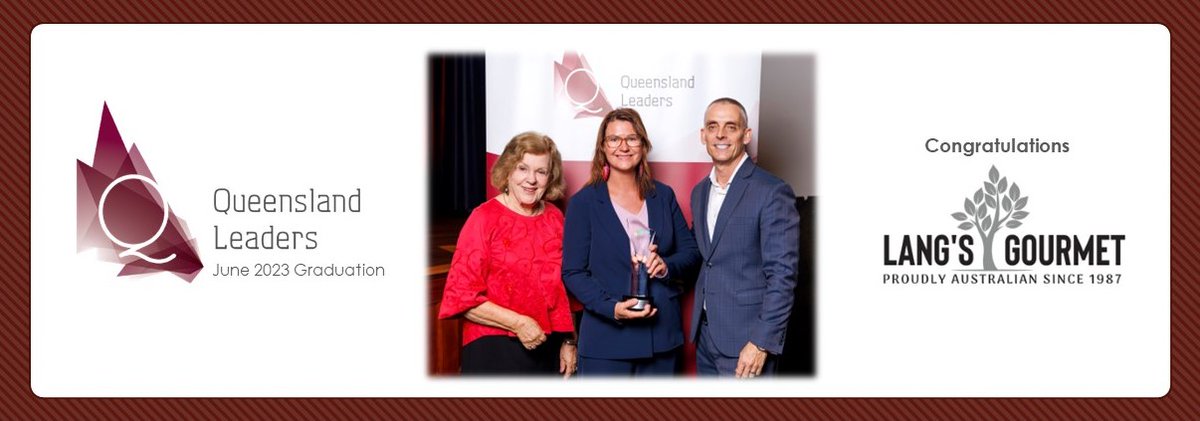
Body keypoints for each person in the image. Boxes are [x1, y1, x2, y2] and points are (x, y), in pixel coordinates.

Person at [563, 108, 701, 376]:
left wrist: (666, 266)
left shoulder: (663, 196)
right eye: (614, 139)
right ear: (603, 147)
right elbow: (573, 272)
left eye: (632, 138)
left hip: (661, 338)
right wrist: (611, 308)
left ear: (643, 144)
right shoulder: (584, 203)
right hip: (606, 340)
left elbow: (691, 252)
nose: (623, 146)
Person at [438, 131, 577, 377]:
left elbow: (563, 290)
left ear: (550, 177)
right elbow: (460, 297)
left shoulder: (555, 217)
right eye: (523, 168)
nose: (531, 179)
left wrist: (569, 341)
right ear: (509, 171)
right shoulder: (483, 218)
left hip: (548, 349)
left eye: (541, 172)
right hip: (493, 346)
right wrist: (519, 323)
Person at [689, 98, 800, 378]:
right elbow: (704, 255)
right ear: (703, 135)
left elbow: (783, 274)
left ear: (746, 134)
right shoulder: (700, 192)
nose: (721, 135)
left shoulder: (772, 191)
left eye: (731, 127)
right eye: (713, 126)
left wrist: (761, 342)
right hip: (707, 336)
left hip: (747, 341)